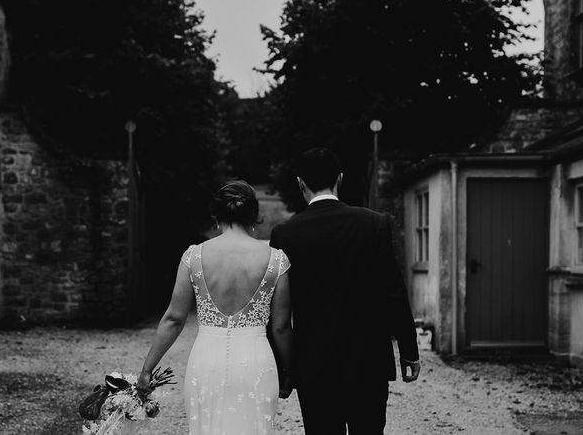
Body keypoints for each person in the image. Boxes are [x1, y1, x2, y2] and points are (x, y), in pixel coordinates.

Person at [269, 147, 420, 434]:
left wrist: (284, 369)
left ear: (300, 183)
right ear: (340, 179)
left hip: (314, 365)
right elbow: (394, 293)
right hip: (368, 361)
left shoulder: (285, 234)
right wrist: (409, 350)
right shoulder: (374, 224)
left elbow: (277, 309)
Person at [137, 180, 293, 434]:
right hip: (256, 363)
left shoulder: (194, 256)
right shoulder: (276, 260)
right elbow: (282, 328)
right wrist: (289, 371)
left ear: (216, 215)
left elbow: (174, 319)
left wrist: (147, 370)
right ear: (254, 215)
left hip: (206, 361)